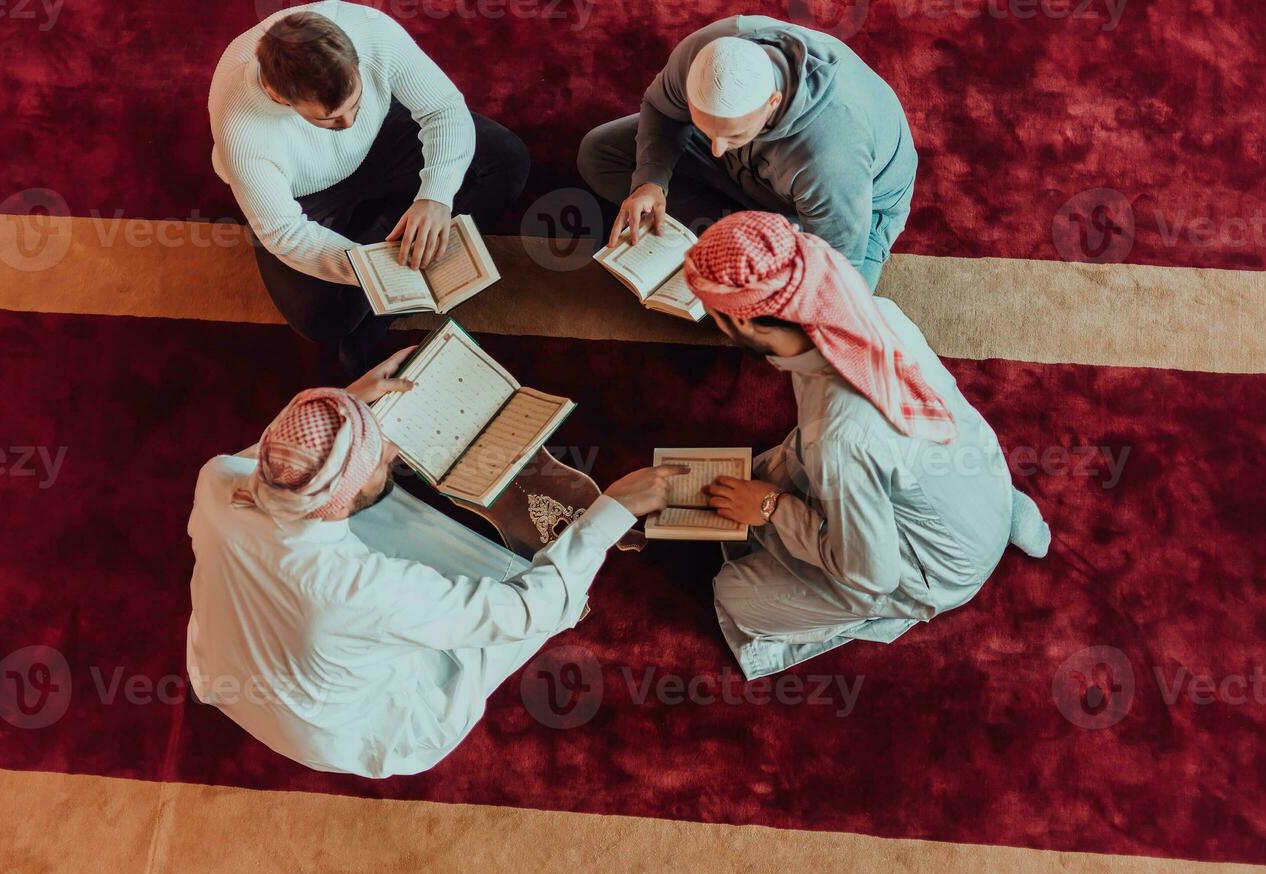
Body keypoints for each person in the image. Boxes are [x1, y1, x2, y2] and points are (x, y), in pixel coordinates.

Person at [185, 347, 684, 778]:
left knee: (391, 519)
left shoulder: (219, 480)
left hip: (223, 672)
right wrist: (612, 510)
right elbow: (535, 608)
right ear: (340, 494)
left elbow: (277, 462)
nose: (393, 450)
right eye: (378, 456)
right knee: (535, 593)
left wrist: (347, 405)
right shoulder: (363, 589)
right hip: (345, 732)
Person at [682, 212, 1051, 679]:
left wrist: (774, 508)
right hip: (981, 484)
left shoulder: (838, 438)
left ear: (746, 322)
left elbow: (871, 578)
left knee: (736, 595)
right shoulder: (871, 310)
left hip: (941, 569)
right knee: (786, 465)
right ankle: (1003, 517)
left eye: (712, 314)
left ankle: (932, 586)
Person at [208, 1, 529, 372]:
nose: (347, 123)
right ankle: (391, 233)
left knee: (507, 160)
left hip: (383, 137)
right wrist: (377, 270)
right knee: (320, 319)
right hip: (305, 190)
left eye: (354, 103)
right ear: (280, 96)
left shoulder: (370, 28)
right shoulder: (240, 128)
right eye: (329, 119)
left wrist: (436, 196)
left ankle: (388, 233)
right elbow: (285, 233)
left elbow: (442, 109)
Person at [578, 15, 916, 289]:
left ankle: (756, 235)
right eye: (706, 127)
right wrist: (650, 181)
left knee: (807, 326)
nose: (716, 148)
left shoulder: (830, 154)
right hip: (759, 176)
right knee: (599, 154)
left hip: (850, 214)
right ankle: (746, 233)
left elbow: (841, 267)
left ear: (772, 103)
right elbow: (663, 109)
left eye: (733, 133)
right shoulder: (705, 52)